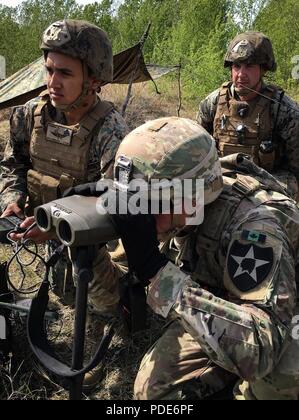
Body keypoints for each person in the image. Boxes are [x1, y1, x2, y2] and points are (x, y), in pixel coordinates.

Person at [73, 116, 299, 399]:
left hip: (280, 315)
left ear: (192, 198)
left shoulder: (255, 229)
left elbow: (263, 348)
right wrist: (89, 245)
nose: (141, 213)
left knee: (279, 383)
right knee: (154, 392)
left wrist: (156, 271)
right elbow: (114, 295)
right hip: (223, 301)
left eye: (149, 203)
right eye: (133, 201)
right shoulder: (173, 213)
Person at [0, 19, 128, 389]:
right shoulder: (27, 115)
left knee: (89, 278)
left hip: (88, 235)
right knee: (63, 289)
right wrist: (12, 200)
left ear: (94, 80)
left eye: (65, 73)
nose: (52, 81)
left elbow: (114, 200)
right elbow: (14, 165)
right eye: (49, 70)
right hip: (38, 222)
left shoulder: (110, 129)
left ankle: (101, 321)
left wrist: (56, 226)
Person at [196, 31, 299, 202]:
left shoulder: (283, 110)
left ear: (263, 69)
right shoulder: (214, 102)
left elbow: (297, 171)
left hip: (266, 187)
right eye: (236, 66)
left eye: (249, 66)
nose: (241, 74)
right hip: (221, 179)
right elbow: (196, 150)